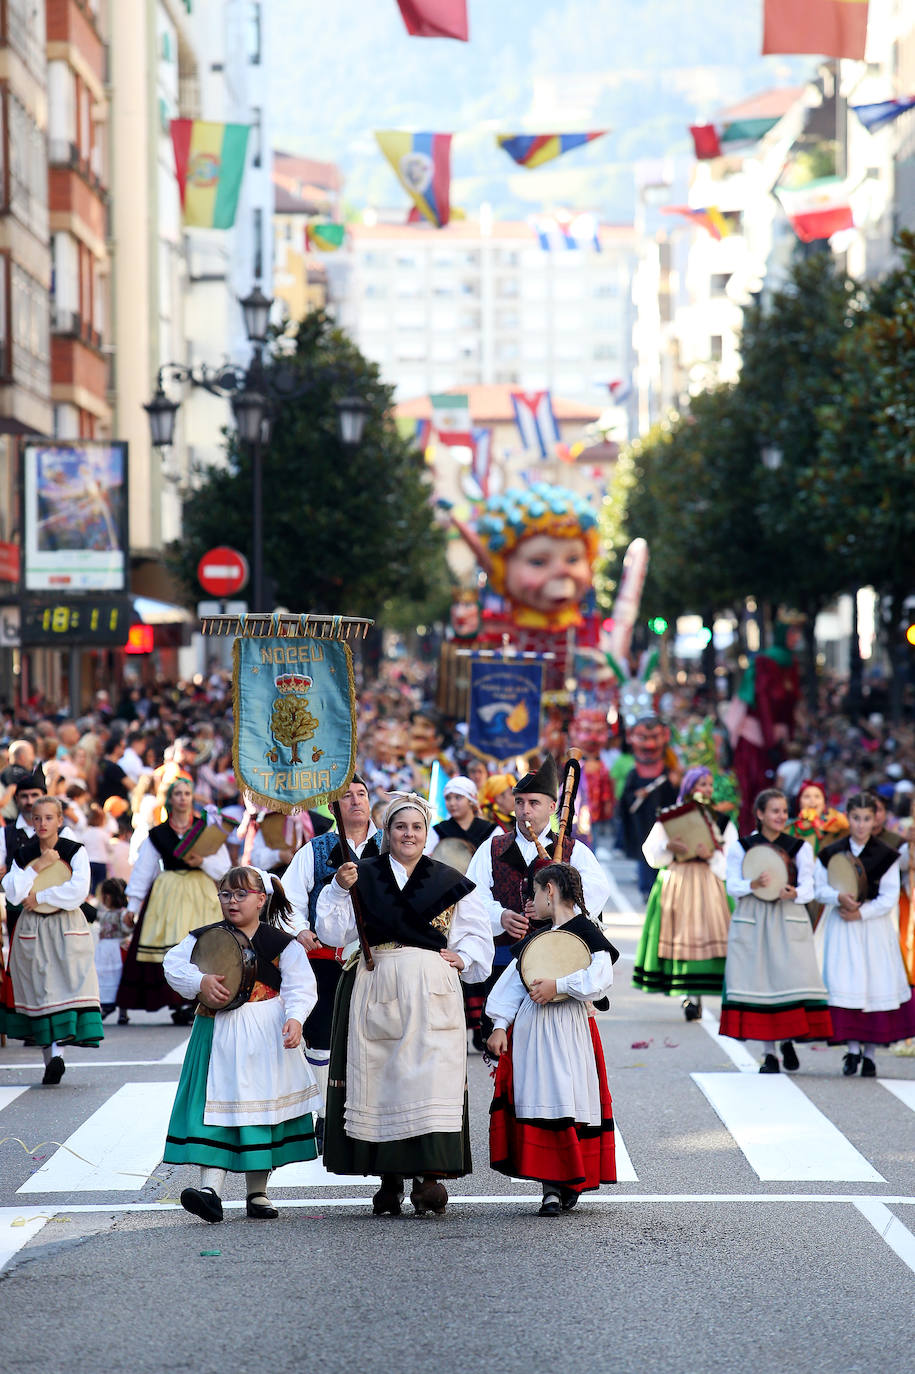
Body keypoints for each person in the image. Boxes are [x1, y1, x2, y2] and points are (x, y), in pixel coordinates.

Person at [316, 792, 493, 1217]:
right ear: (388, 833)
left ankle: (428, 1176)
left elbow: (476, 935)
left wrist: (463, 957)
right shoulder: (361, 875)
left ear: (426, 832)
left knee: (431, 1078)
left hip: (432, 986)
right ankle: (388, 1178)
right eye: (400, 827)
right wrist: (339, 890)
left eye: (416, 827)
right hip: (378, 983)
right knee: (383, 1080)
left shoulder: (450, 880)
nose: (408, 834)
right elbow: (331, 932)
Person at [162, 867, 321, 1223]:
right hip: (217, 1030)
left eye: (241, 895)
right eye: (225, 895)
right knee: (217, 1105)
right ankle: (210, 1191)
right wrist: (200, 980)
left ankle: (257, 1192)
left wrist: (295, 1018)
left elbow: (300, 985)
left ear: (261, 899)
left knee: (263, 1110)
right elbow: (172, 965)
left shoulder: (283, 945)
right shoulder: (205, 938)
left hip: (266, 1031)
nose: (232, 902)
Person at [485, 863, 617, 1215]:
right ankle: (551, 1188)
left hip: (568, 1028)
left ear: (550, 891)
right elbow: (514, 983)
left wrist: (559, 986)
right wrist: (500, 1024)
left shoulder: (585, 931)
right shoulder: (539, 937)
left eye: (533, 892)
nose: (529, 901)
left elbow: (600, 977)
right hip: (534, 1032)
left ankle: (565, 1182)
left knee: (565, 1098)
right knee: (542, 1099)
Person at [465, 756, 611, 1041]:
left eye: (534, 803)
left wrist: (555, 910)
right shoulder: (492, 847)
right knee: (505, 1041)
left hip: (558, 963)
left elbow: (595, 890)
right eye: (519, 802)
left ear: (553, 807)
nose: (524, 811)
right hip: (504, 957)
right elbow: (474, 893)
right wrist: (501, 916)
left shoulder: (572, 851)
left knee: (553, 1039)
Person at [280, 774, 381, 1144]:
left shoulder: (390, 845)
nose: (356, 800)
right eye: (347, 796)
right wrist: (299, 928)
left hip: (376, 959)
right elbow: (288, 896)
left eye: (362, 794)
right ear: (334, 806)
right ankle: (324, 1114)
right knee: (320, 1037)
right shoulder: (317, 849)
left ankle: (368, 1113)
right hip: (323, 959)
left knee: (373, 1035)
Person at [721, 787, 832, 1073]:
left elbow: (810, 887)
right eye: (775, 811)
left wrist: (793, 892)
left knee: (788, 979)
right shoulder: (742, 847)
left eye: (784, 811)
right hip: (753, 917)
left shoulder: (799, 847)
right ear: (760, 814)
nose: (781, 816)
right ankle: (768, 1052)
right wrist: (752, 885)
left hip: (787, 915)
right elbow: (731, 884)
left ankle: (787, 1041)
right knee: (759, 982)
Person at [1, 795, 101, 1083]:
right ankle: (52, 1057)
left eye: (49, 818)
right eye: (38, 818)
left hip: (66, 924)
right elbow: (13, 892)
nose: (43, 823)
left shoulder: (74, 851)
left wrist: (42, 896)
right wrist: (39, 866)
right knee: (40, 990)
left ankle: (58, 1053)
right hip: (32, 928)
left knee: (64, 987)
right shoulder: (24, 854)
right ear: (32, 821)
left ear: (59, 820)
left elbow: (78, 889)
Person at [814, 792, 915, 1077]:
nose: (860, 825)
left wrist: (862, 912)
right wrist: (837, 897)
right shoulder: (832, 852)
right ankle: (853, 1049)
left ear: (875, 820)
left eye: (866, 819)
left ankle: (870, 1053)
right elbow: (819, 887)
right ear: (849, 818)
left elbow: (889, 896)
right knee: (846, 983)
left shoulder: (885, 855)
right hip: (843, 926)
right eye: (856, 819)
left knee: (874, 984)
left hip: (873, 928)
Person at [117, 778, 231, 1023]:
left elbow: (224, 868)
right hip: (167, 894)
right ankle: (176, 1002)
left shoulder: (205, 830)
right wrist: (133, 905)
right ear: (170, 799)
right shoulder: (158, 834)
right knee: (170, 946)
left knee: (202, 946)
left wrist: (202, 861)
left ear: (192, 798)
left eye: (187, 793)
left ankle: (197, 1000)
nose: (182, 798)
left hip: (200, 892)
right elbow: (144, 869)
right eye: (177, 793)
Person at [635, 766, 736, 1021]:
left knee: (704, 933)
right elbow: (651, 852)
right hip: (677, 880)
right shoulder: (670, 818)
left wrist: (712, 855)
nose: (707, 789)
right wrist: (668, 845)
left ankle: (698, 993)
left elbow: (734, 860)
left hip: (708, 881)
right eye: (701, 784)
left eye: (709, 785)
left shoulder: (722, 820)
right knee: (681, 935)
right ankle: (688, 995)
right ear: (689, 788)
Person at [425, 775, 498, 1050]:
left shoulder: (489, 831)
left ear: (471, 800)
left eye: (458, 798)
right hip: (446, 900)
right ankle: (455, 1026)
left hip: (478, 897)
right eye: (449, 798)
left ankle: (482, 1027)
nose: (453, 803)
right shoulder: (439, 830)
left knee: (475, 954)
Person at [94, 877, 131, 1020]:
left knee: (115, 977)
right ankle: (120, 1010)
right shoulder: (106, 913)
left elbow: (127, 928)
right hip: (107, 949)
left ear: (108, 896)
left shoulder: (122, 914)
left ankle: (111, 1006)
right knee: (112, 977)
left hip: (115, 949)